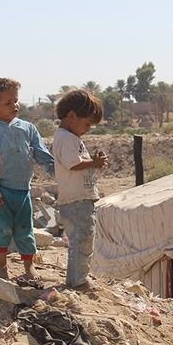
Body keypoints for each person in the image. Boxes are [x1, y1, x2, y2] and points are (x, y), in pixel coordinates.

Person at [0, 77, 55, 280]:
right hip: (0, 192)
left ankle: (29, 268)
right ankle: (1, 266)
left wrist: (59, 172)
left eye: (16, 100)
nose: (15, 106)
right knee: (1, 229)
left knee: (25, 229)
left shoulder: (28, 128)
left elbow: (42, 154)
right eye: (8, 103)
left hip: (22, 190)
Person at [53, 88, 108, 290]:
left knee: (82, 239)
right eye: (87, 124)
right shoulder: (66, 138)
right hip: (76, 201)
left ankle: (76, 279)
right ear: (72, 115)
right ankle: (78, 281)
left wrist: (95, 164)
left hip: (79, 199)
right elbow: (73, 164)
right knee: (82, 240)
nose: (88, 129)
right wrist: (93, 162)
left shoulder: (70, 138)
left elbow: (79, 165)